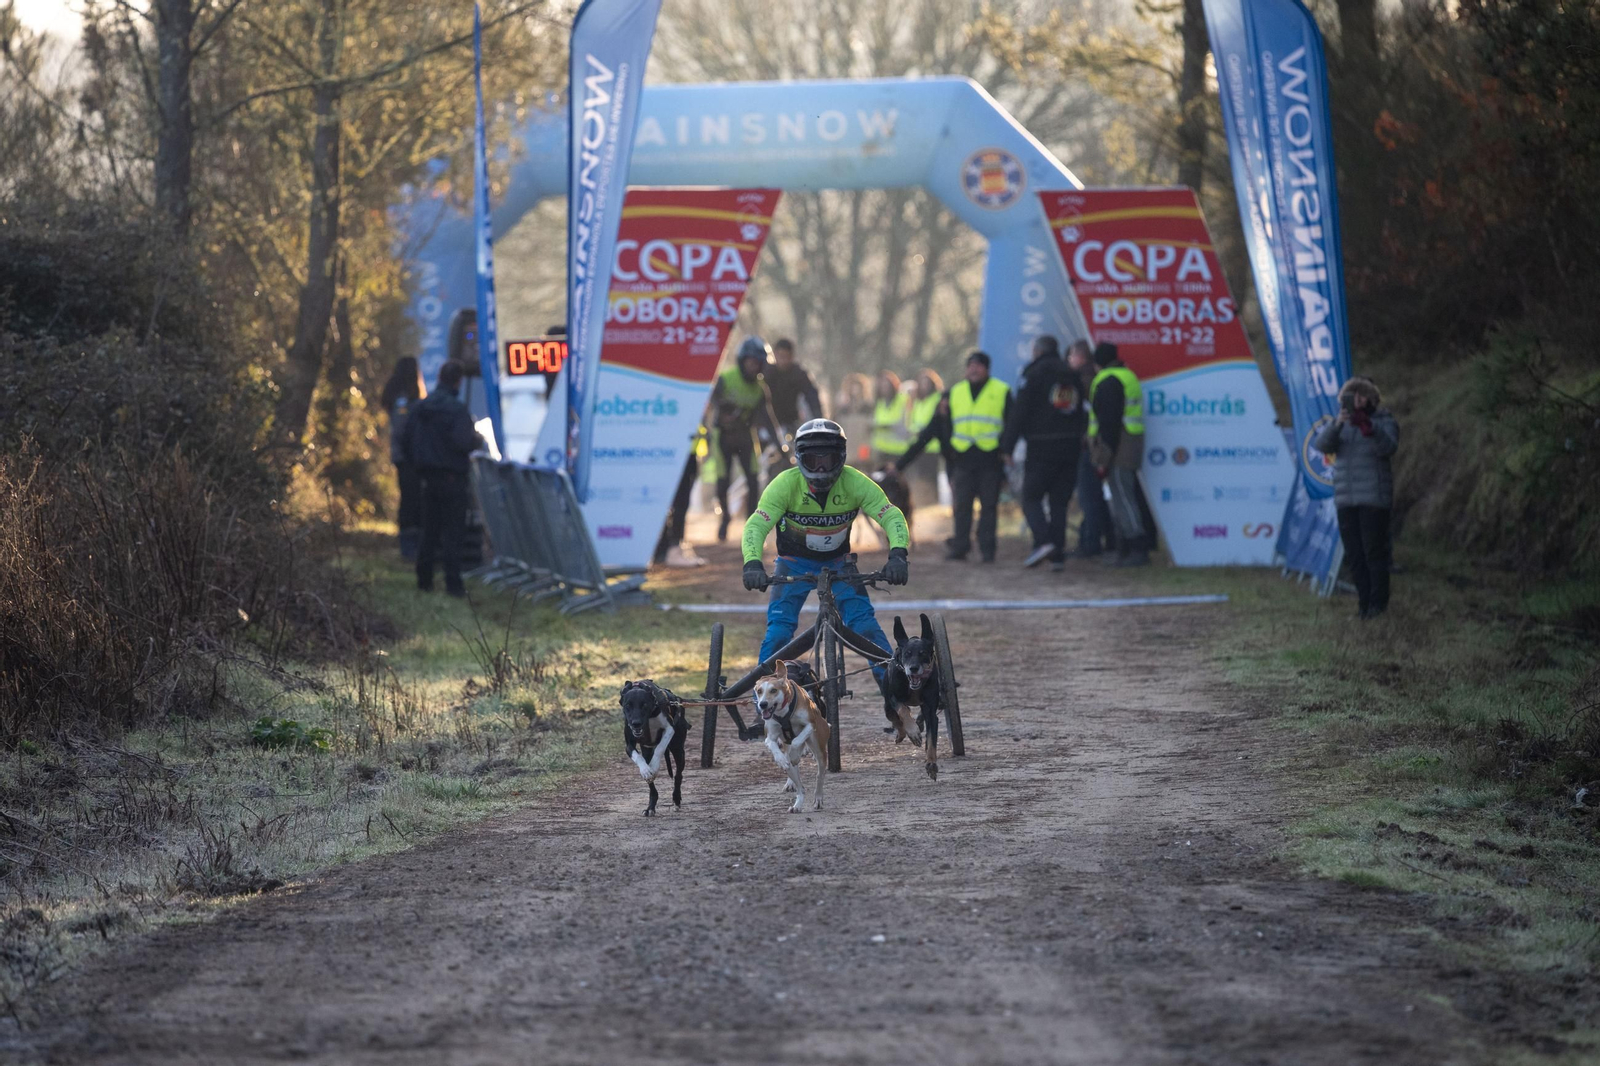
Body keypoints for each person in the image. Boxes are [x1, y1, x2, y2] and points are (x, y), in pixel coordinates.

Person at [742, 419, 909, 688]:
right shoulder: (784, 484)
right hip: (792, 564)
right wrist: (752, 564)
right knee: (779, 633)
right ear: (799, 459)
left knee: (864, 626)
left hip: (839, 564)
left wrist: (898, 555)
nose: (820, 468)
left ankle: (894, 693)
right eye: (812, 460)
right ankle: (764, 700)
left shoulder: (855, 482)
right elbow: (756, 525)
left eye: (828, 460)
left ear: (840, 458)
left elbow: (891, 515)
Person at [895, 351, 1012, 563]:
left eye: (979, 366)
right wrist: (900, 465)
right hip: (963, 461)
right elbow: (931, 431)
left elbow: (1011, 425)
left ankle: (987, 550)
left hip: (990, 460)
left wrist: (1006, 450)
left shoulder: (1002, 391)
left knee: (989, 507)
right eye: (971, 366)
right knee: (962, 506)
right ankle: (960, 546)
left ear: (987, 369)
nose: (974, 369)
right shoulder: (952, 394)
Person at [1315, 376, 1399, 619]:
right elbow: (1322, 445)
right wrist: (1338, 424)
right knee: (1355, 554)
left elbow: (1389, 447)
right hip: (1346, 499)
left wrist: (1369, 428)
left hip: (1374, 498)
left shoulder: (1383, 420)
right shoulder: (1341, 423)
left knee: (1374, 552)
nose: (1357, 401)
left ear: (1372, 398)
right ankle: (1364, 606)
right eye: (1352, 397)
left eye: (1362, 396)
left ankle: (1378, 606)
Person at [1000, 335, 1086, 571]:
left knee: (1031, 497)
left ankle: (1043, 541)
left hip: (1041, 447)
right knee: (1059, 502)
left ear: (1037, 351)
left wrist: (1007, 447)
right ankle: (1057, 556)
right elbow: (1080, 410)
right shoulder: (1071, 374)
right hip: (1070, 447)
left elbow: (1020, 412)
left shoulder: (1033, 374)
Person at [400, 360, 486, 597]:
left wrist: (418, 467)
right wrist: (476, 440)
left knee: (429, 531)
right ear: (458, 381)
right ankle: (453, 584)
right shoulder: (457, 410)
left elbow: (406, 440)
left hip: (427, 478)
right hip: (453, 478)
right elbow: (462, 442)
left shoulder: (420, 408)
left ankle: (424, 580)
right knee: (453, 534)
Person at [1089, 341, 1155, 567]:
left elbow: (1108, 423)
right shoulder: (1127, 376)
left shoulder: (1108, 381)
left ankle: (1136, 547)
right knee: (1124, 495)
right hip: (1129, 443)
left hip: (1119, 447)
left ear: (1097, 361)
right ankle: (1127, 547)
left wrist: (1103, 457)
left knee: (1123, 497)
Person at [708, 337, 778, 541]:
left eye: (757, 363)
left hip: (746, 436)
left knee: (753, 479)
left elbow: (768, 418)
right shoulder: (726, 379)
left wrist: (780, 444)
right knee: (722, 481)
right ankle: (725, 519)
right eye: (749, 362)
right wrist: (722, 412)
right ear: (741, 361)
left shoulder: (760, 389)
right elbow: (713, 401)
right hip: (723, 437)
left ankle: (752, 526)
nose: (752, 367)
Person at [1066, 340, 1111, 558]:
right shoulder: (1092, 377)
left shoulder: (1081, 381)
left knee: (1088, 497)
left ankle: (1091, 543)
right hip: (1095, 446)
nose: (1069, 361)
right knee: (1094, 496)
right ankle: (1101, 539)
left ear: (1080, 357)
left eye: (1072, 356)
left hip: (1087, 447)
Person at [379, 356, 425, 561]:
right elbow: (401, 429)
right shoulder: (404, 401)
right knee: (410, 499)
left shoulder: (400, 398)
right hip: (408, 458)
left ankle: (412, 542)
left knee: (412, 498)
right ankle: (408, 544)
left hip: (406, 456)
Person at [764, 338, 824, 440]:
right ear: (774, 355)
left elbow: (812, 396)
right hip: (767, 423)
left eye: (787, 357)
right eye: (781, 356)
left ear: (792, 356)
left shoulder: (798, 374)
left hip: (791, 422)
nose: (784, 361)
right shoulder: (767, 373)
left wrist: (819, 421)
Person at [907, 369, 945, 507]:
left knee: (931, 477)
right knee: (919, 476)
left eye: (927, 383)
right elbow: (912, 421)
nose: (924, 386)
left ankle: (933, 502)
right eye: (922, 382)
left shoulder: (937, 399)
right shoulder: (916, 401)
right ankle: (921, 501)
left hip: (931, 446)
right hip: (918, 444)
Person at [834, 373, 876, 468]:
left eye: (858, 388)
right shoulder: (843, 409)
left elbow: (871, 429)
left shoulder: (868, 407)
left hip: (864, 448)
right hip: (848, 450)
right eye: (853, 388)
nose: (855, 391)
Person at [871, 370, 911, 468]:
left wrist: (887, 426)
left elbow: (906, 422)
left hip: (898, 450)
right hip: (881, 450)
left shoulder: (903, 399)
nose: (885, 388)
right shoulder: (879, 402)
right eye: (882, 385)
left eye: (887, 385)